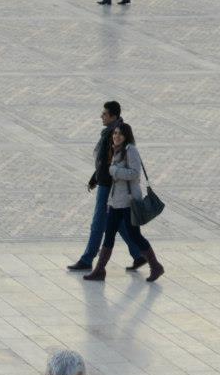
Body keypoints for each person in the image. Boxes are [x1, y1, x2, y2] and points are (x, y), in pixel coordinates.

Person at [85, 121, 159, 281]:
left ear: (126, 136)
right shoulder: (115, 150)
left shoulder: (130, 150)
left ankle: (156, 266)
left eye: (119, 134)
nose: (116, 136)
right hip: (115, 201)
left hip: (128, 201)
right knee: (109, 234)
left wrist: (115, 171)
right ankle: (99, 270)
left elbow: (134, 173)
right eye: (114, 133)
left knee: (135, 235)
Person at [66, 103, 122, 273]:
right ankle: (140, 255)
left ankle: (87, 258)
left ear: (112, 116)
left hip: (108, 184)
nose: (101, 116)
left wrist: (99, 178)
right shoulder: (112, 131)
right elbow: (103, 161)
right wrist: (94, 177)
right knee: (121, 223)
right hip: (106, 181)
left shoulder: (115, 133)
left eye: (104, 114)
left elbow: (109, 161)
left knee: (98, 222)